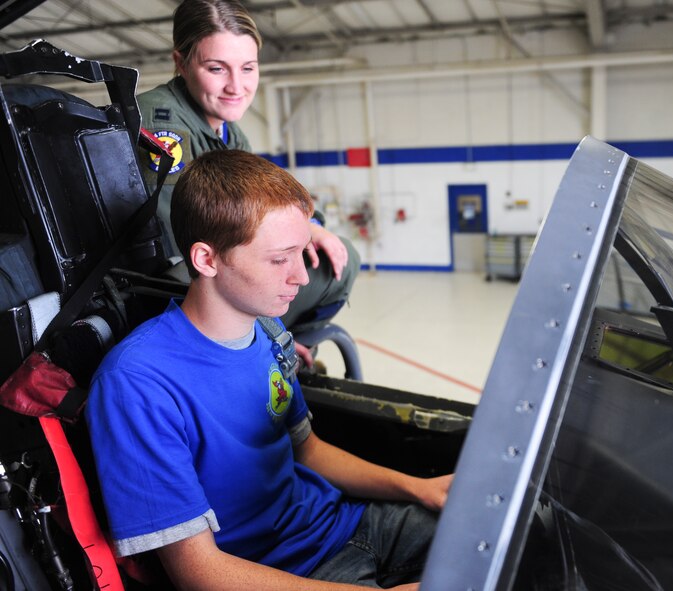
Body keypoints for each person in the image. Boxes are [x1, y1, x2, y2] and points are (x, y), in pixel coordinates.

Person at [86, 150, 450, 590]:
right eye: (280, 259)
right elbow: (201, 574)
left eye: (302, 252)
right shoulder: (137, 384)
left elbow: (308, 451)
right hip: (279, 574)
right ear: (206, 260)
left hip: (341, 524)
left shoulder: (269, 330)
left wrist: (417, 488)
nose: (300, 276)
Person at [137, 0, 357, 350]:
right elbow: (192, 241)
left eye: (248, 68)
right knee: (338, 263)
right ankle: (259, 342)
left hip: (214, 270)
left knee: (329, 251)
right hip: (173, 282)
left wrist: (312, 229)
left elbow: (263, 208)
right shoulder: (161, 126)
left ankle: (266, 341)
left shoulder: (229, 132)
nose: (236, 86)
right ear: (181, 63)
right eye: (217, 69)